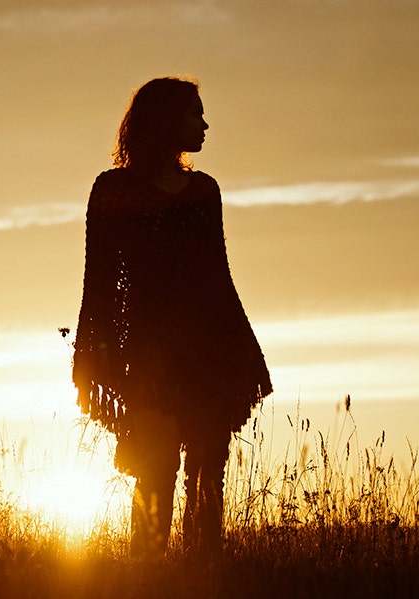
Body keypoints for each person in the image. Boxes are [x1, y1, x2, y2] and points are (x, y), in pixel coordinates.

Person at [72, 76, 272, 560]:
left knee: (209, 467)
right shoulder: (112, 189)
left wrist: (244, 351)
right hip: (145, 355)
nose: (204, 124)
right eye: (193, 114)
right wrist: (96, 355)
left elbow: (217, 276)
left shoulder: (204, 190)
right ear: (164, 121)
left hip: (207, 349)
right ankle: (148, 576)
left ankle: (203, 576)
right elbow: (99, 283)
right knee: (156, 467)